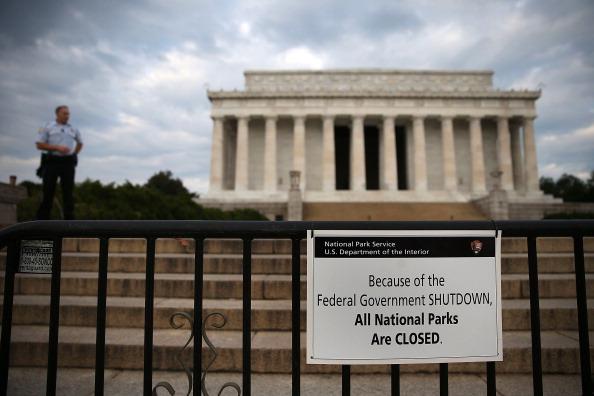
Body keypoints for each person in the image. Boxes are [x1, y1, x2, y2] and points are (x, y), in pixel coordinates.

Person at [35, 105, 83, 220]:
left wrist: (74, 154)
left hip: (68, 162)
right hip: (52, 161)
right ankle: (42, 221)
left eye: (68, 113)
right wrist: (57, 148)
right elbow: (39, 144)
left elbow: (80, 143)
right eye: (64, 113)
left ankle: (69, 222)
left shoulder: (73, 129)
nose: (67, 116)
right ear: (57, 114)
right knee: (48, 191)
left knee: (68, 191)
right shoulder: (47, 126)